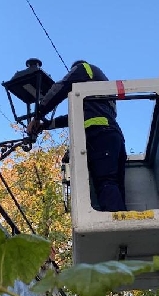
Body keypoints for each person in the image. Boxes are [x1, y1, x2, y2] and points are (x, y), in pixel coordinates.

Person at [27, 60, 127, 212]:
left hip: (98, 135)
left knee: (106, 183)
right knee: (114, 184)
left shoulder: (84, 68)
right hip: (113, 137)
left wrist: (38, 114)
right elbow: (76, 116)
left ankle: (117, 228)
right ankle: (123, 222)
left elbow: (61, 87)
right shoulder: (101, 94)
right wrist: (45, 126)